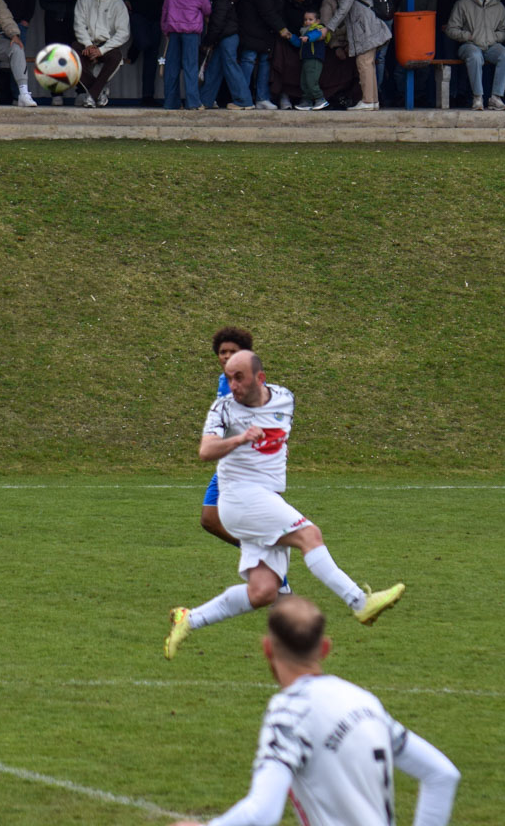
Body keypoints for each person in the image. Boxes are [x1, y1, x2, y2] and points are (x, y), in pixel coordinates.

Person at [164, 350, 404, 659]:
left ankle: (189, 619)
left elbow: (275, 434)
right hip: (241, 498)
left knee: (264, 591)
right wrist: (239, 439)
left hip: (262, 497)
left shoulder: (284, 399)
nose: (233, 385)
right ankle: (360, 602)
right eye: (229, 378)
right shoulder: (222, 409)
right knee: (309, 535)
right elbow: (206, 451)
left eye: (239, 378)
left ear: (260, 378)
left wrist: (275, 448)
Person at [168, 596, 460, 826]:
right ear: (325, 648)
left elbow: (263, 812)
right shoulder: (365, 701)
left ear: (267, 649)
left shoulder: (290, 713)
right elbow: (442, 775)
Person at [199, 327, 253, 546]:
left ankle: (272, 562)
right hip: (230, 461)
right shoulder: (225, 381)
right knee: (210, 519)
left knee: (255, 522)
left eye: (233, 351)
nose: (227, 356)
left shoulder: (250, 382)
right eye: (223, 352)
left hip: (249, 463)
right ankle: (256, 551)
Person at [321, 0, 391, 112]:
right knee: (368, 63)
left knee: (364, 63)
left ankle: (367, 100)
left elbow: (344, 8)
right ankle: (372, 100)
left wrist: (328, 28)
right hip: (365, 27)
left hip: (365, 28)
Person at [443, 0, 505, 110]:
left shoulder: (499, 7)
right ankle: (477, 97)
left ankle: (496, 97)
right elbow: (451, 29)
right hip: (469, 45)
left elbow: (503, 31)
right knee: (475, 56)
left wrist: (495, 37)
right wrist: (468, 36)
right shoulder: (463, 4)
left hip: (491, 46)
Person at [237, 0, 296, 111]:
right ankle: (242, 98)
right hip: (253, 25)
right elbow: (266, 8)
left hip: (267, 27)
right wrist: (281, 27)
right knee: (249, 58)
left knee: (265, 60)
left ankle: (262, 98)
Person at [72, 0, 129, 107]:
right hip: (87, 43)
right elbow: (79, 25)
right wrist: (88, 44)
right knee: (71, 54)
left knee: (116, 56)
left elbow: (123, 33)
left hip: (106, 45)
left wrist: (101, 50)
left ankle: (92, 95)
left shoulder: (118, 3)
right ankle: (98, 92)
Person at [161, 0, 211, 111]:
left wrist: (165, 29)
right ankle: (193, 102)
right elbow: (207, 10)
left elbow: (165, 10)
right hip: (191, 33)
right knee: (190, 67)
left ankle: (171, 102)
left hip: (173, 32)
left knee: (171, 67)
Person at [200, 0, 250, 111]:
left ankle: (244, 101)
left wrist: (207, 42)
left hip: (226, 38)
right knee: (214, 69)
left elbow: (217, 24)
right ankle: (205, 100)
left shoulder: (221, 1)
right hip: (225, 38)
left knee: (231, 68)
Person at [295, 10, 331, 112]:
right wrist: (291, 37)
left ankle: (320, 99)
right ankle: (307, 101)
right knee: (304, 81)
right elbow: (299, 43)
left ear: (317, 21)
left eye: (310, 19)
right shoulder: (304, 31)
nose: (307, 22)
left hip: (314, 59)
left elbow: (316, 35)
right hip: (306, 59)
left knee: (311, 81)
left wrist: (308, 37)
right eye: (305, 19)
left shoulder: (318, 28)